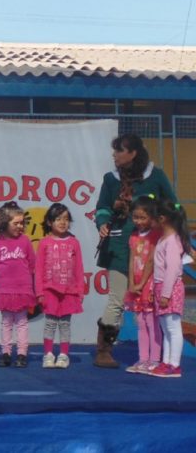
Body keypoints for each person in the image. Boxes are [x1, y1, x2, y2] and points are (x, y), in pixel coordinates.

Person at [94, 133, 177, 368]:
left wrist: (168, 229)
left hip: (151, 250)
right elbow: (101, 207)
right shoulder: (110, 179)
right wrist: (103, 223)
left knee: (153, 300)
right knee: (117, 300)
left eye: (119, 150)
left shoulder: (156, 176)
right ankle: (103, 350)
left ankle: (157, 353)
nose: (114, 155)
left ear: (133, 153)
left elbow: (173, 206)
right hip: (119, 247)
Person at [0, 201, 36, 368]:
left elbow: (32, 263)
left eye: (22, 223)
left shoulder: (25, 241)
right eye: (16, 223)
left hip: (22, 289)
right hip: (5, 290)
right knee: (6, 322)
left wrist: (26, 280)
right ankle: (5, 352)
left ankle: (22, 353)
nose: (20, 226)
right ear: (4, 223)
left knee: (22, 322)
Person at [35, 203, 85, 369]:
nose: (63, 222)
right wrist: (39, 292)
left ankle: (64, 354)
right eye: (58, 219)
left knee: (65, 324)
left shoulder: (74, 242)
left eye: (66, 219)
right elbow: (39, 269)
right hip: (49, 291)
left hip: (69, 292)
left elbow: (79, 268)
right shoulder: (44, 243)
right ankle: (48, 354)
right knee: (50, 323)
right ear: (50, 222)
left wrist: (80, 290)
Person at [150, 200, 191, 378]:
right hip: (162, 287)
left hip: (170, 288)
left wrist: (166, 293)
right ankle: (166, 361)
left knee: (173, 327)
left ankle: (174, 364)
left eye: (153, 218)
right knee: (165, 328)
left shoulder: (173, 241)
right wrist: (155, 289)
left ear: (162, 219)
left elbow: (172, 269)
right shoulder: (163, 239)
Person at [123, 196, 162, 375]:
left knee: (151, 322)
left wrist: (141, 283)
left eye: (142, 217)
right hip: (136, 285)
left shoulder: (156, 235)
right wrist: (131, 282)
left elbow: (151, 262)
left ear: (152, 217)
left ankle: (154, 360)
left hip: (149, 284)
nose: (138, 221)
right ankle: (142, 359)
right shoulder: (133, 235)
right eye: (135, 217)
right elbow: (132, 260)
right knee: (140, 322)